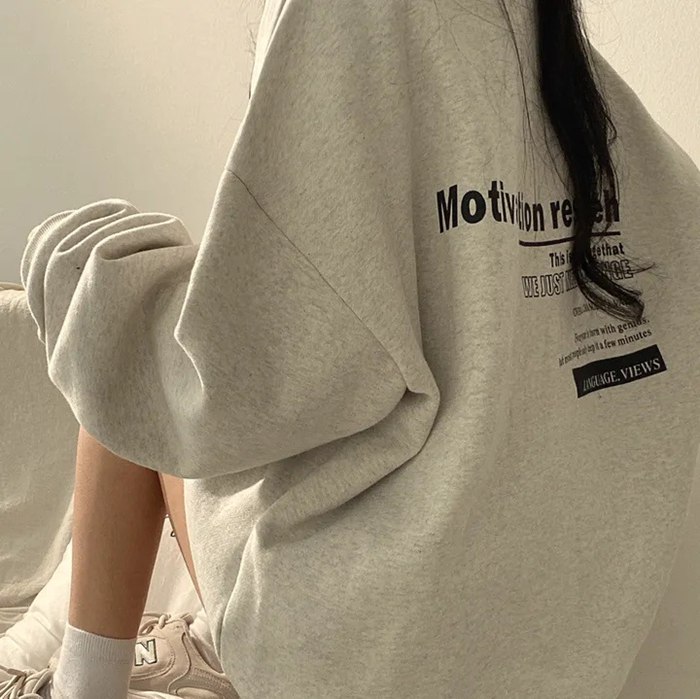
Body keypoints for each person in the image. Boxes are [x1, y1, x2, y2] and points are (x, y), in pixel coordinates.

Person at [3, 0, 700, 697]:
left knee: (118, 324)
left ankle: (82, 687)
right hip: (566, 658)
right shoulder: (550, 46)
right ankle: (181, 653)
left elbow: (231, 385)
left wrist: (72, 268)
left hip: (360, 659)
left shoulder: (351, 14)